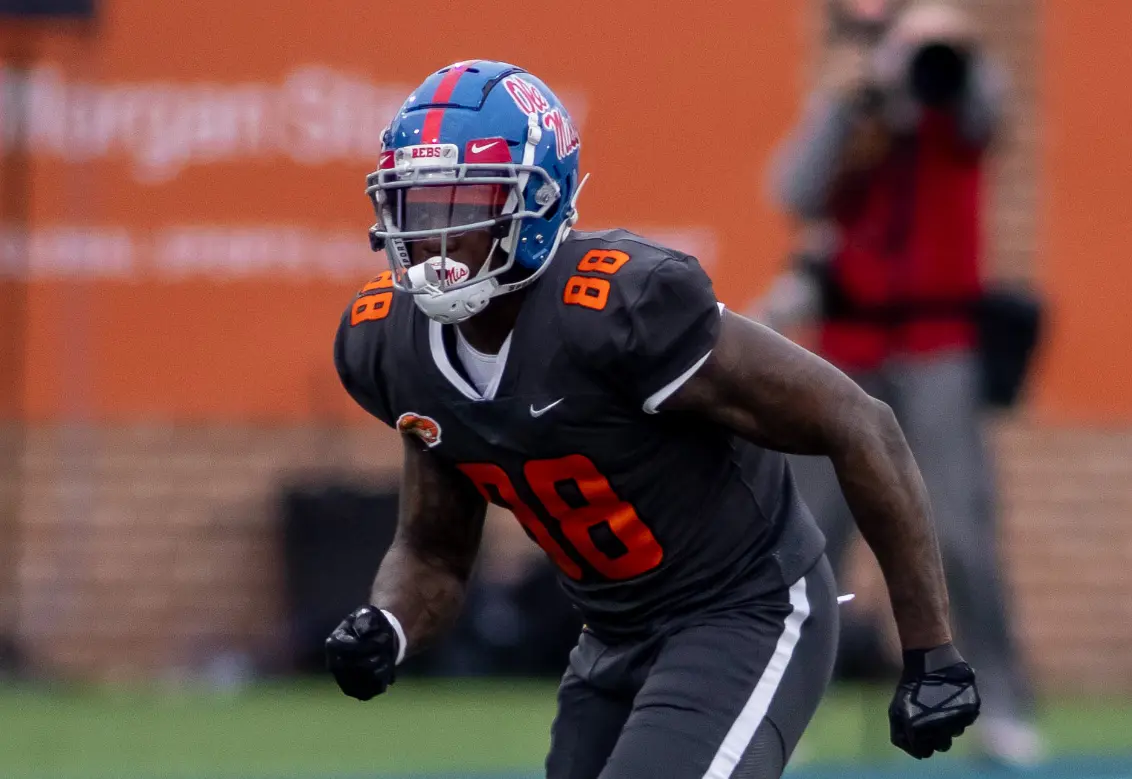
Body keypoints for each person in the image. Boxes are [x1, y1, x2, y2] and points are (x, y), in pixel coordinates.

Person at [324, 59, 979, 779]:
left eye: (465, 203)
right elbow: (435, 549)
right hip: (612, 633)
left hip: (744, 608)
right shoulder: (389, 344)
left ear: (536, 204)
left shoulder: (621, 307)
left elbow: (861, 422)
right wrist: (388, 623)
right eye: (418, 207)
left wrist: (931, 651)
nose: (435, 237)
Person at [757, 1, 1041, 766]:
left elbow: (989, 114)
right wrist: (854, 99)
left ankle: (1003, 700)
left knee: (959, 527)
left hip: (940, 343)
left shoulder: (958, 90)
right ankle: (781, 702)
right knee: (807, 532)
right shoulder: (851, 102)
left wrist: (950, 47)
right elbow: (793, 190)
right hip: (847, 343)